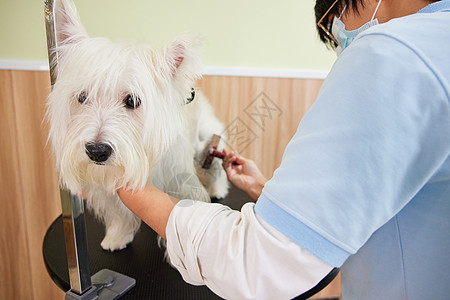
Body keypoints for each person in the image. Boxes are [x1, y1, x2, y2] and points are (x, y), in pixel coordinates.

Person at [118, 0, 450, 299]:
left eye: (334, 25)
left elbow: (260, 265)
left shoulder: (393, 53)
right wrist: (263, 189)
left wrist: (128, 185)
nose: (340, 42)